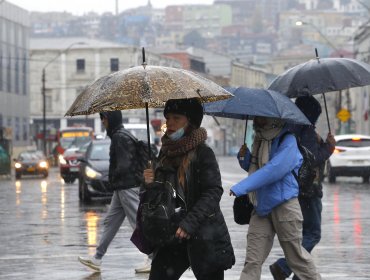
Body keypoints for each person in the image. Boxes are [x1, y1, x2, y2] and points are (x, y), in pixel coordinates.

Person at [143, 98, 235, 280]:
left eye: (176, 118)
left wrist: (189, 223)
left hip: (203, 234)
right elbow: (158, 198)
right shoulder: (164, 153)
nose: (169, 123)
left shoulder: (203, 153)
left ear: (190, 122)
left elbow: (213, 191)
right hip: (172, 234)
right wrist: (150, 183)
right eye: (167, 117)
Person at [230, 116, 321, 280]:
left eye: (262, 116)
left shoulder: (288, 140)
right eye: (257, 116)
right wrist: (245, 157)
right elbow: (256, 167)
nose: (257, 120)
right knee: (252, 261)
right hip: (261, 207)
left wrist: (242, 187)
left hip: (284, 206)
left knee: (296, 260)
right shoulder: (260, 139)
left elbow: (274, 170)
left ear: (274, 118)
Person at [270, 96, 336, 280]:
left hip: (295, 188)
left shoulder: (290, 127)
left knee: (301, 236)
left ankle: (298, 274)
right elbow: (311, 158)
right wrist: (329, 148)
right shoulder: (305, 129)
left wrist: (322, 143)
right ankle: (283, 267)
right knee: (313, 234)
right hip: (308, 189)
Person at [78, 110, 151, 273]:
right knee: (110, 222)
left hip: (127, 186)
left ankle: (153, 258)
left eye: (103, 118)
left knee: (138, 223)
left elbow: (124, 165)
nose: (102, 122)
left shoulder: (120, 137)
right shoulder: (121, 135)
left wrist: (111, 178)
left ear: (110, 119)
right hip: (122, 188)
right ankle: (97, 258)